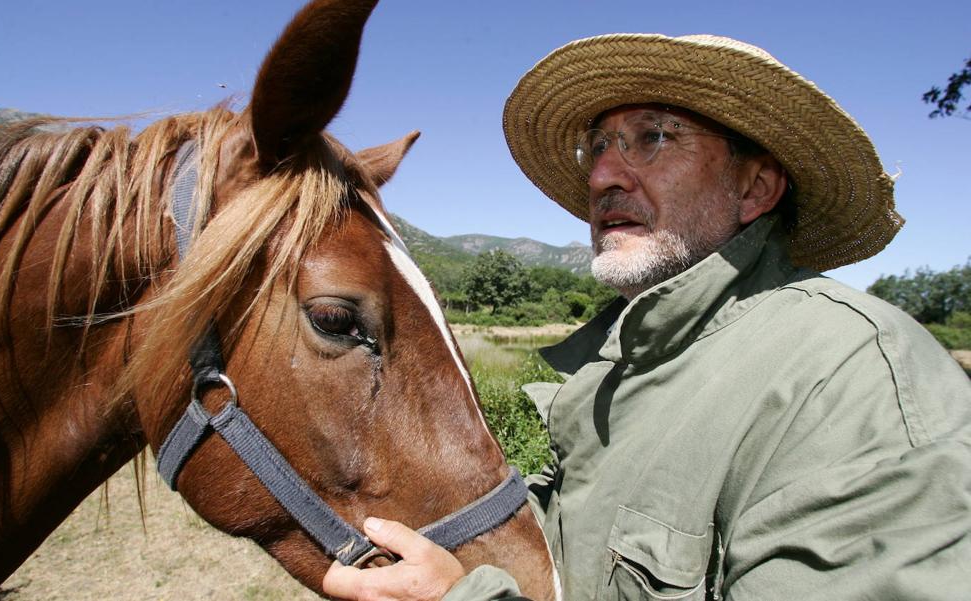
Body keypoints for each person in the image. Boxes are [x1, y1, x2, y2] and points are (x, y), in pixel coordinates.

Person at [323, 34, 971, 601]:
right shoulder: (626, 362)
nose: (603, 173)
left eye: (654, 137)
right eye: (598, 145)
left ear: (755, 189)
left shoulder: (853, 379)